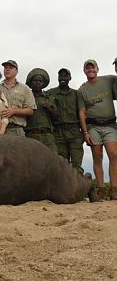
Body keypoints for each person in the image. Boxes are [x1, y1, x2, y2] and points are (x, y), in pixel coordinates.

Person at [77, 59, 117, 200]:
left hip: (110, 125)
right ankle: (101, 191)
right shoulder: (82, 90)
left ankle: (114, 189)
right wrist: (85, 132)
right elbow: (82, 112)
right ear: (84, 71)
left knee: (113, 154)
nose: (90, 70)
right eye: (87, 68)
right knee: (97, 157)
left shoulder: (109, 80)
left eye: (92, 67)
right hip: (93, 126)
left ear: (97, 69)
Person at [47, 68, 84, 173]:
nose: (63, 78)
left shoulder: (76, 94)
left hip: (74, 132)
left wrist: (84, 132)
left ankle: (79, 188)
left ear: (70, 78)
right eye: (60, 76)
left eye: (65, 76)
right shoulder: (50, 93)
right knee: (62, 163)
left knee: (77, 164)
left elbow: (83, 113)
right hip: (58, 132)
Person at [0, 60, 36, 136]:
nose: (7, 69)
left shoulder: (25, 89)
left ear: (16, 71)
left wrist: (14, 111)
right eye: (5, 68)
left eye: (11, 68)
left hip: (17, 130)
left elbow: (30, 110)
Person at [24, 68, 58, 152]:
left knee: (53, 160)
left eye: (40, 81)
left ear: (43, 84)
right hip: (30, 135)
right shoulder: (25, 97)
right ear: (31, 83)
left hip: (47, 136)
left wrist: (49, 108)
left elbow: (56, 117)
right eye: (35, 80)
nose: (38, 82)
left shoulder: (49, 98)